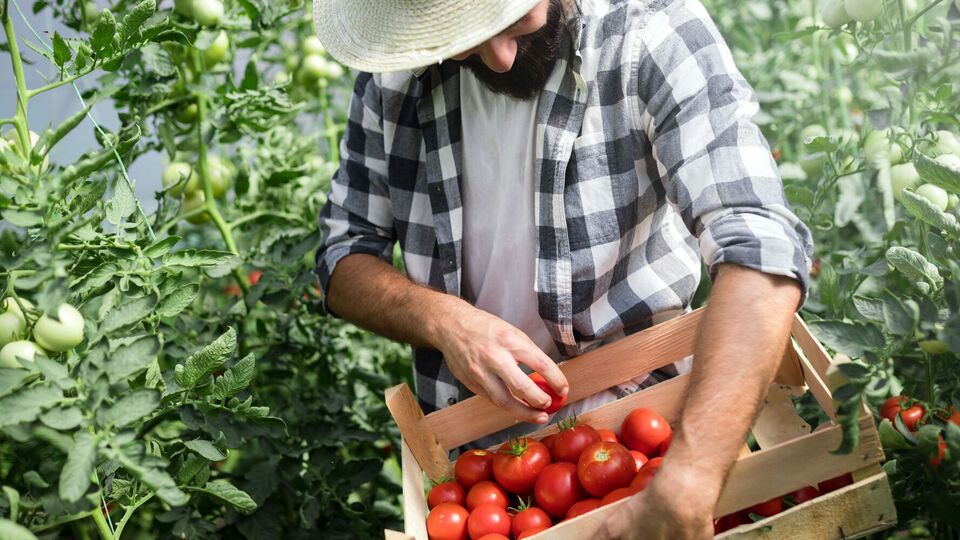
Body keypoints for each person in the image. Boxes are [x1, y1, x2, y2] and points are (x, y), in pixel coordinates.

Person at [312, 0, 814, 537]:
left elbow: (759, 243)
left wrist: (688, 477)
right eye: (461, 39)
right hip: (488, 475)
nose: (500, 58)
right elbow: (343, 253)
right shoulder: (398, 75)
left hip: (650, 439)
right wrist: (441, 319)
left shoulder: (648, 32)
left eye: (512, 21)